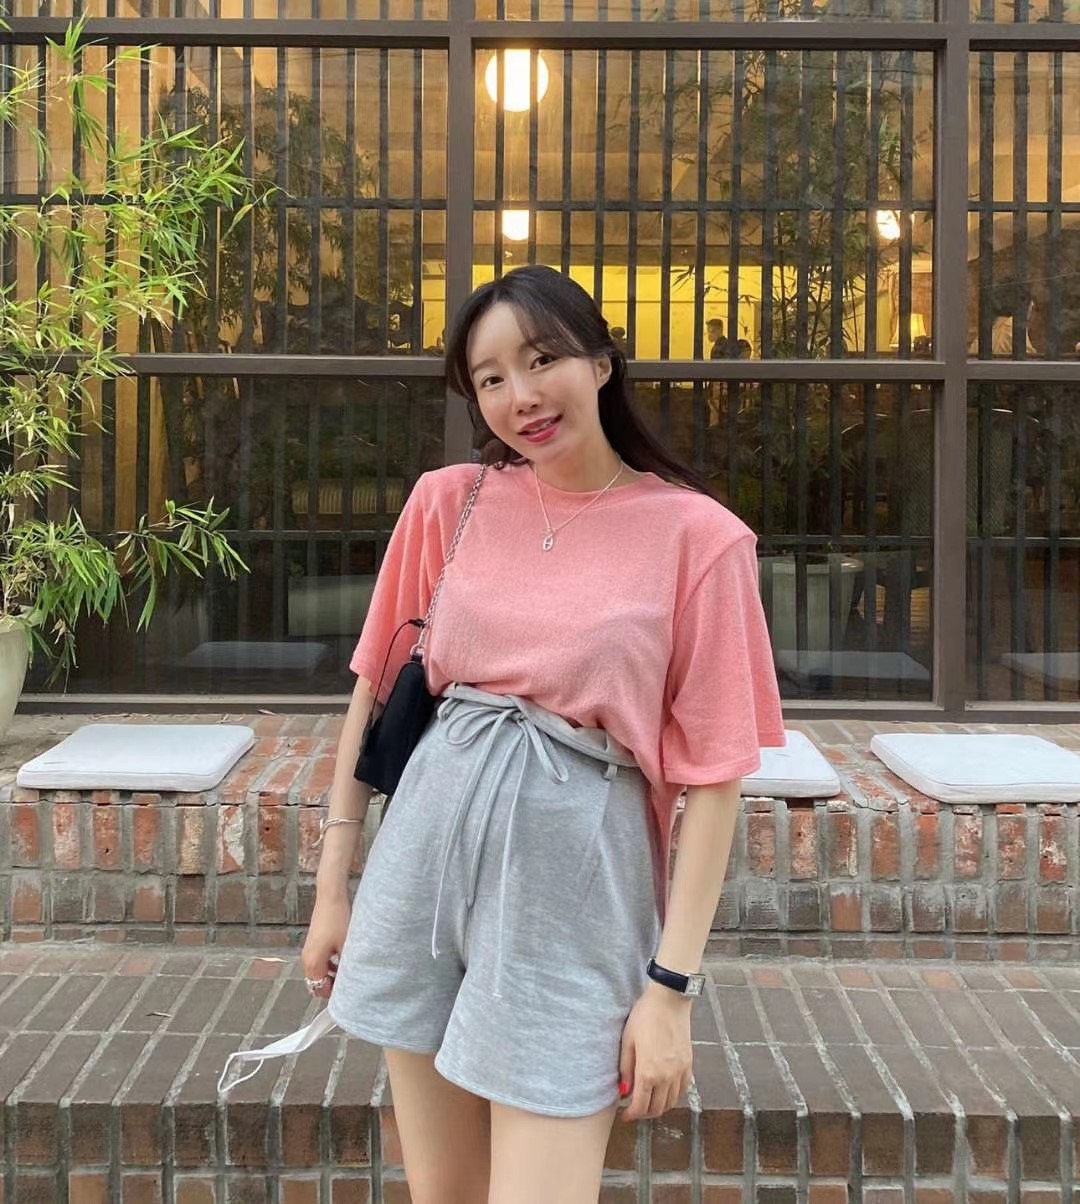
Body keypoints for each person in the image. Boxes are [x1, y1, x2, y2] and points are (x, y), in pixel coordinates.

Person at [300, 265, 785, 1203]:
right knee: (443, 1193)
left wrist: (670, 990)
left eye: (541, 360)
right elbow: (375, 692)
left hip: (576, 902)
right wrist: (331, 890)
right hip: (422, 871)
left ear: (601, 362)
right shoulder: (450, 501)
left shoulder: (700, 537)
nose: (519, 395)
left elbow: (715, 778)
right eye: (490, 378)